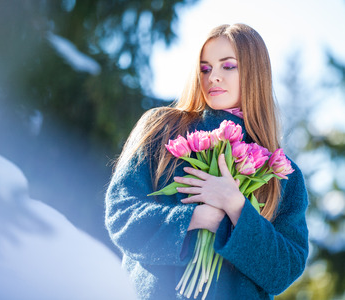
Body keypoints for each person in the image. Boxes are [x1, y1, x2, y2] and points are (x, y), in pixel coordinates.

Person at [105, 23, 309, 300]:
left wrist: (236, 207)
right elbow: (121, 214)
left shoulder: (282, 171)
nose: (213, 76)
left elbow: (285, 269)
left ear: (255, 73)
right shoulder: (163, 129)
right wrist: (197, 218)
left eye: (228, 66)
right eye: (205, 68)